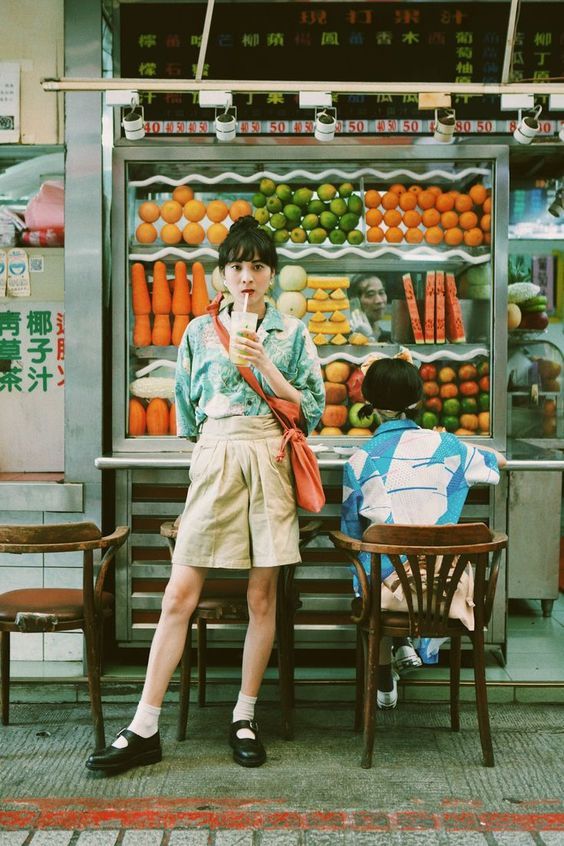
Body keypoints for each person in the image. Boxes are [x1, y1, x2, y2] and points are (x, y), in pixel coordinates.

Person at [87, 216, 325, 772]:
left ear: (270, 275)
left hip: (270, 456)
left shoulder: (293, 333)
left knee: (261, 598)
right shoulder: (197, 332)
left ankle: (245, 715)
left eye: (258, 267)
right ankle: (144, 724)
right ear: (222, 275)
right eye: (237, 267)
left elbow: (310, 408)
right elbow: (188, 417)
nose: (247, 277)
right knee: (178, 593)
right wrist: (219, 446)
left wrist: (265, 365)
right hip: (217, 455)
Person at [340, 354, 505, 709]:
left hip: (388, 597)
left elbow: (352, 534)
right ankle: (407, 646)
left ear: (367, 402)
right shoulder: (449, 448)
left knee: (374, 564)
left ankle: (383, 672)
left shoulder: (359, 460)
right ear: (416, 400)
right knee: (400, 564)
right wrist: (467, 449)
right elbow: (498, 464)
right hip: (447, 593)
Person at [349, 273, 390, 342]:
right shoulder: (345, 341)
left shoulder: (390, 339)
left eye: (381, 293)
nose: (379, 301)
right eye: (370, 295)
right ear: (355, 302)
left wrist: (369, 338)